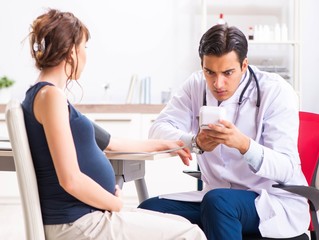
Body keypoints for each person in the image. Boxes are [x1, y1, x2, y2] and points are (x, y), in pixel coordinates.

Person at [22, 9, 207, 240]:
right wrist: (115, 203)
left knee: (180, 223)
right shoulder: (51, 97)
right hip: (78, 222)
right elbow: (70, 179)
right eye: (84, 48)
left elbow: (110, 144)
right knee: (190, 233)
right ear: (71, 52)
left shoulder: (45, 96)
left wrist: (165, 144)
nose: (85, 55)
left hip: (85, 216)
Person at [138, 24, 310, 239]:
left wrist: (244, 145)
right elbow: (157, 130)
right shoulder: (195, 85)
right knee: (149, 211)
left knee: (219, 202)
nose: (218, 84)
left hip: (269, 200)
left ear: (244, 65)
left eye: (228, 73)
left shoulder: (275, 91)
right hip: (214, 198)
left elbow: (287, 167)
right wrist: (195, 142)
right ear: (202, 65)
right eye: (210, 72)